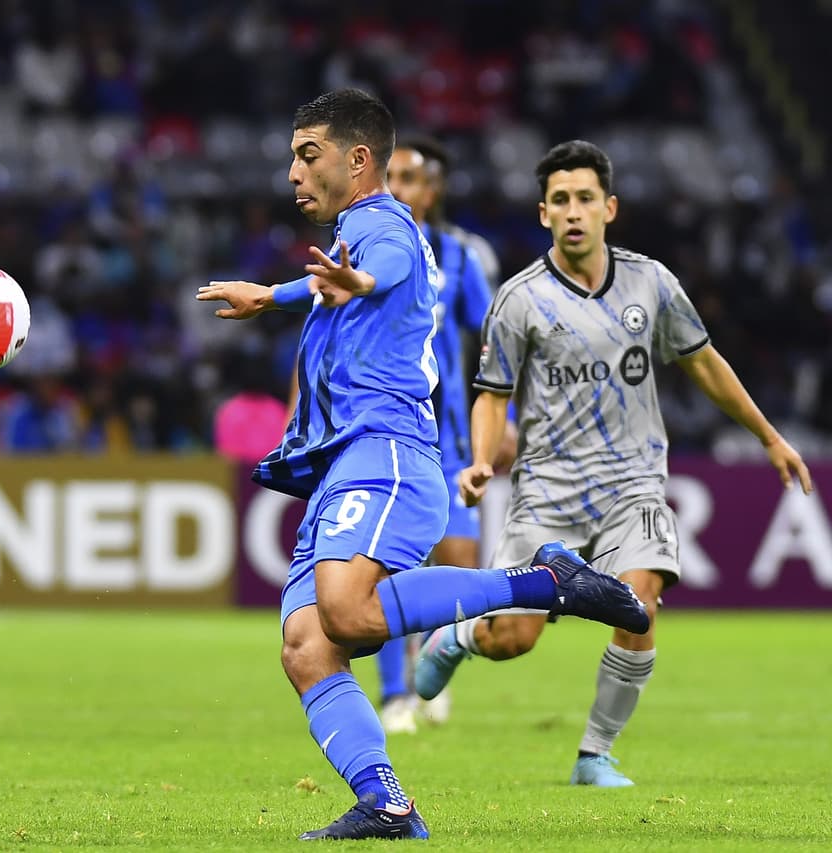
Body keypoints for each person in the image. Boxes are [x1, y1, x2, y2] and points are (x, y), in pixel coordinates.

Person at [196, 90, 650, 842]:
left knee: (347, 613)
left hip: (385, 450)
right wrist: (285, 294)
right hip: (342, 462)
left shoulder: (382, 225)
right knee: (307, 646)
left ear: (358, 159)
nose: (293, 173)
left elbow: (379, 269)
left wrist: (346, 285)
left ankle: (548, 583)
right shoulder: (356, 235)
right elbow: (344, 282)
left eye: (307, 155)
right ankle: (387, 803)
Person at [414, 140, 813, 788]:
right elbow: (492, 393)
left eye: (585, 198)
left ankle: (594, 754)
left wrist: (768, 436)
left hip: (633, 485)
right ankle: (460, 638)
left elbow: (704, 364)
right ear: (544, 213)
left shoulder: (651, 283)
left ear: (610, 208)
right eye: (561, 200)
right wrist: (484, 460)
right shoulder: (519, 299)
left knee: (638, 605)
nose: (574, 211)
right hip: (547, 489)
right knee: (513, 639)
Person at [365, 137, 498, 734]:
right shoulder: (361, 251)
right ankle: (395, 694)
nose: (396, 188)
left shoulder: (459, 258)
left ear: (430, 189)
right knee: (388, 570)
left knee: (459, 563)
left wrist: (504, 418)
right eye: (388, 177)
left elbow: (495, 341)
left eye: (408, 178)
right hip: (387, 434)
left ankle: (434, 665)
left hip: (449, 440)